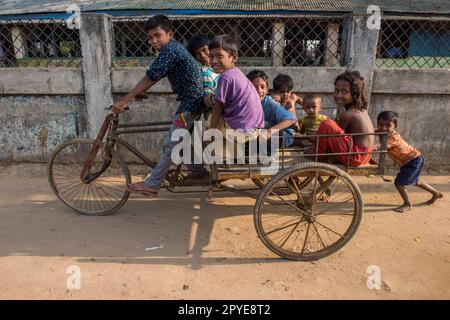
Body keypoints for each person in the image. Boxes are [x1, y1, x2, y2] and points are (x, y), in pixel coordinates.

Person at [112, 15, 205, 197]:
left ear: (169, 34)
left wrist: (126, 99)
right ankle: (200, 173)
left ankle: (153, 184)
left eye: (157, 35)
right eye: (150, 37)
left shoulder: (170, 49)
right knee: (181, 140)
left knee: (171, 144)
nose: (153, 41)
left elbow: (151, 77)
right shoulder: (173, 48)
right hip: (194, 102)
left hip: (191, 102)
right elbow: (153, 78)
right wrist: (134, 95)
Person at [377, 111, 443, 213]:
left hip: (413, 161)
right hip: (412, 160)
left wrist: (370, 147)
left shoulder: (393, 137)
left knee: (399, 183)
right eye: (381, 125)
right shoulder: (383, 132)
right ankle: (436, 193)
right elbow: (374, 131)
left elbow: (383, 147)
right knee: (416, 181)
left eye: (388, 125)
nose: (384, 128)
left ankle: (407, 204)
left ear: (395, 126)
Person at [207, 34, 264, 137]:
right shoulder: (236, 73)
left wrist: (210, 133)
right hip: (255, 128)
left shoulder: (225, 77)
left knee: (208, 122)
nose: (214, 61)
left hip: (240, 130)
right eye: (211, 57)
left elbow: (217, 109)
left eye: (219, 56)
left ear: (233, 57)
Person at [314, 71, 374, 167]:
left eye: (344, 92)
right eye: (337, 91)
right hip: (365, 155)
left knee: (327, 124)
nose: (338, 95)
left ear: (355, 94)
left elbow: (331, 137)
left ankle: (318, 156)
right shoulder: (361, 110)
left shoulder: (348, 114)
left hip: (356, 156)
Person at [247, 70, 296, 148]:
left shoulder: (270, 103)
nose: (259, 90)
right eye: (254, 87)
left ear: (267, 90)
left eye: (262, 87)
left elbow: (291, 119)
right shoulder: (245, 103)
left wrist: (270, 131)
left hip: (282, 136)